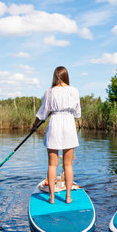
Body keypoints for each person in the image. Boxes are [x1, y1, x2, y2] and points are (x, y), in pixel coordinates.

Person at [31, 66, 81, 204]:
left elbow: (42, 114)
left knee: (52, 165)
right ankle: (68, 197)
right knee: (68, 164)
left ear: (54, 77)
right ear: (66, 77)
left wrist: (34, 125)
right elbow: (77, 113)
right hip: (69, 125)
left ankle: (52, 197)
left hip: (54, 125)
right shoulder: (74, 90)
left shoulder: (49, 92)